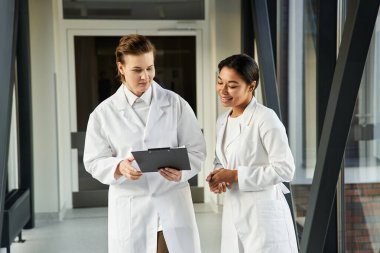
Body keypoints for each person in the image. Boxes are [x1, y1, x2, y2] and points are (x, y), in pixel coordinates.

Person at [83, 34, 206, 253]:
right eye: (137, 70)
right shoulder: (103, 114)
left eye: (150, 68)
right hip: (132, 209)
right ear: (121, 68)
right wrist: (119, 167)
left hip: (172, 203)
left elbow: (197, 150)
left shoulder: (176, 104)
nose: (145, 76)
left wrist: (182, 172)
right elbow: (93, 161)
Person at [206, 54, 298, 252]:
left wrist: (236, 175)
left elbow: (285, 169)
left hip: (263, 215)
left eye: (232, 85)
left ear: (251, 85)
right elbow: (220, 160)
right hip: (234, 209)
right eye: (220, 82)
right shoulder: (223, 120)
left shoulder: (266, 118)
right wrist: (219, 175)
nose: (223, 90)